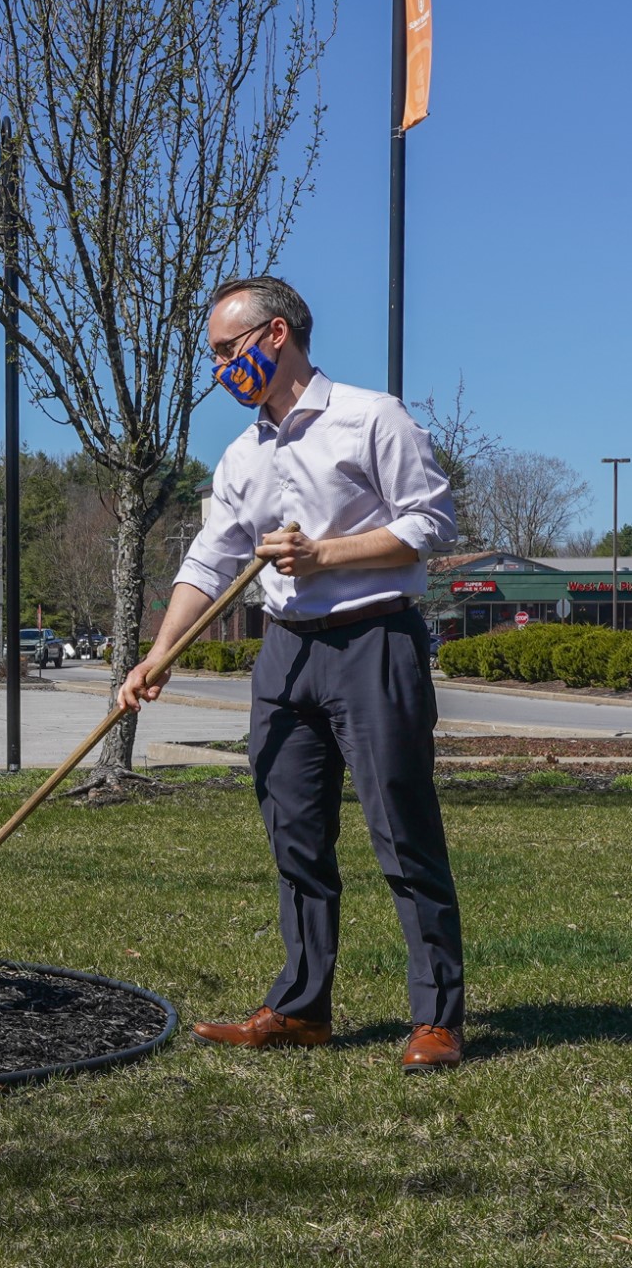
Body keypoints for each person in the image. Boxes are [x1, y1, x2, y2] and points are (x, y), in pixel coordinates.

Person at [117, 276, 464, 1073]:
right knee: (294, 837)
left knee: (401, 833)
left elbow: (429, 522)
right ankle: (302, 1009)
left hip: (374, 641)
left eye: (224, 351)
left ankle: (435, 1017)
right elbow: (210, 558)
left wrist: (323, 554)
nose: (215, 371)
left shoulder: (369, 417)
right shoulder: (243, 453)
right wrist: (158, 651)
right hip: (284, 654)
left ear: (275, 336)